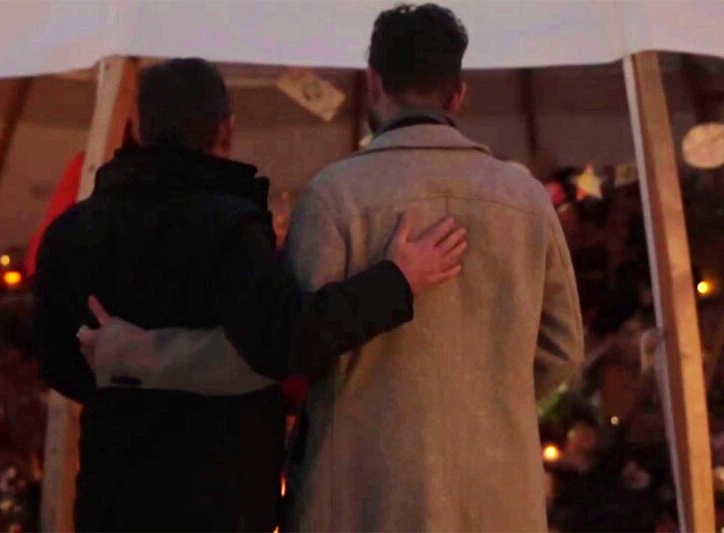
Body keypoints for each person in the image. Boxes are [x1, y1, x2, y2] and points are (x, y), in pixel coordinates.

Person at [80, 4, 583, 530]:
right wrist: (486, 408)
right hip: (499, 501)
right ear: (457, 95)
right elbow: (562, 350)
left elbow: (272, 350)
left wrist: (134, 351)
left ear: (373, 82)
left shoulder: (336, 196)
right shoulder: (527, 200)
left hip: (364, 499)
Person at [33, 58, 466, 532]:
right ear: (227, 128)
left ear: (137, 128)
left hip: (112, 496)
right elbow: (286, 342)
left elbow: (58, 364)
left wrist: (127, 375)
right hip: (220, 499)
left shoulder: (70, 234)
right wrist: (396, 281)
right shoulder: (230, 231)